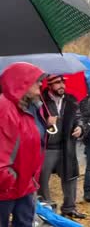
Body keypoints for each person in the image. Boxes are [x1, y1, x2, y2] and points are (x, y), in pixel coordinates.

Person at [0, 62, 49, 227]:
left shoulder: (30, 108)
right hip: (6, 189)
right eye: (36, 80)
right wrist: (9, 180)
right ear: (22, 82)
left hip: (25, 185)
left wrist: (31, 179)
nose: (41, 84)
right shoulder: (5, 108)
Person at [38, 75, 86, 219]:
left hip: (67, 145)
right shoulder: (40, 100)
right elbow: (31, 121)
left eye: (63, 82)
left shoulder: (70, 100)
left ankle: (69, 207)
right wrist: (45, 121)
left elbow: (79, 117)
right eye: (58, 83)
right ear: (49, 85)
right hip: (47, 147)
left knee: (70, 177)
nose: (62, 85)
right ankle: (46, 208)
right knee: (42, 179)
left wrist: (80, 127)